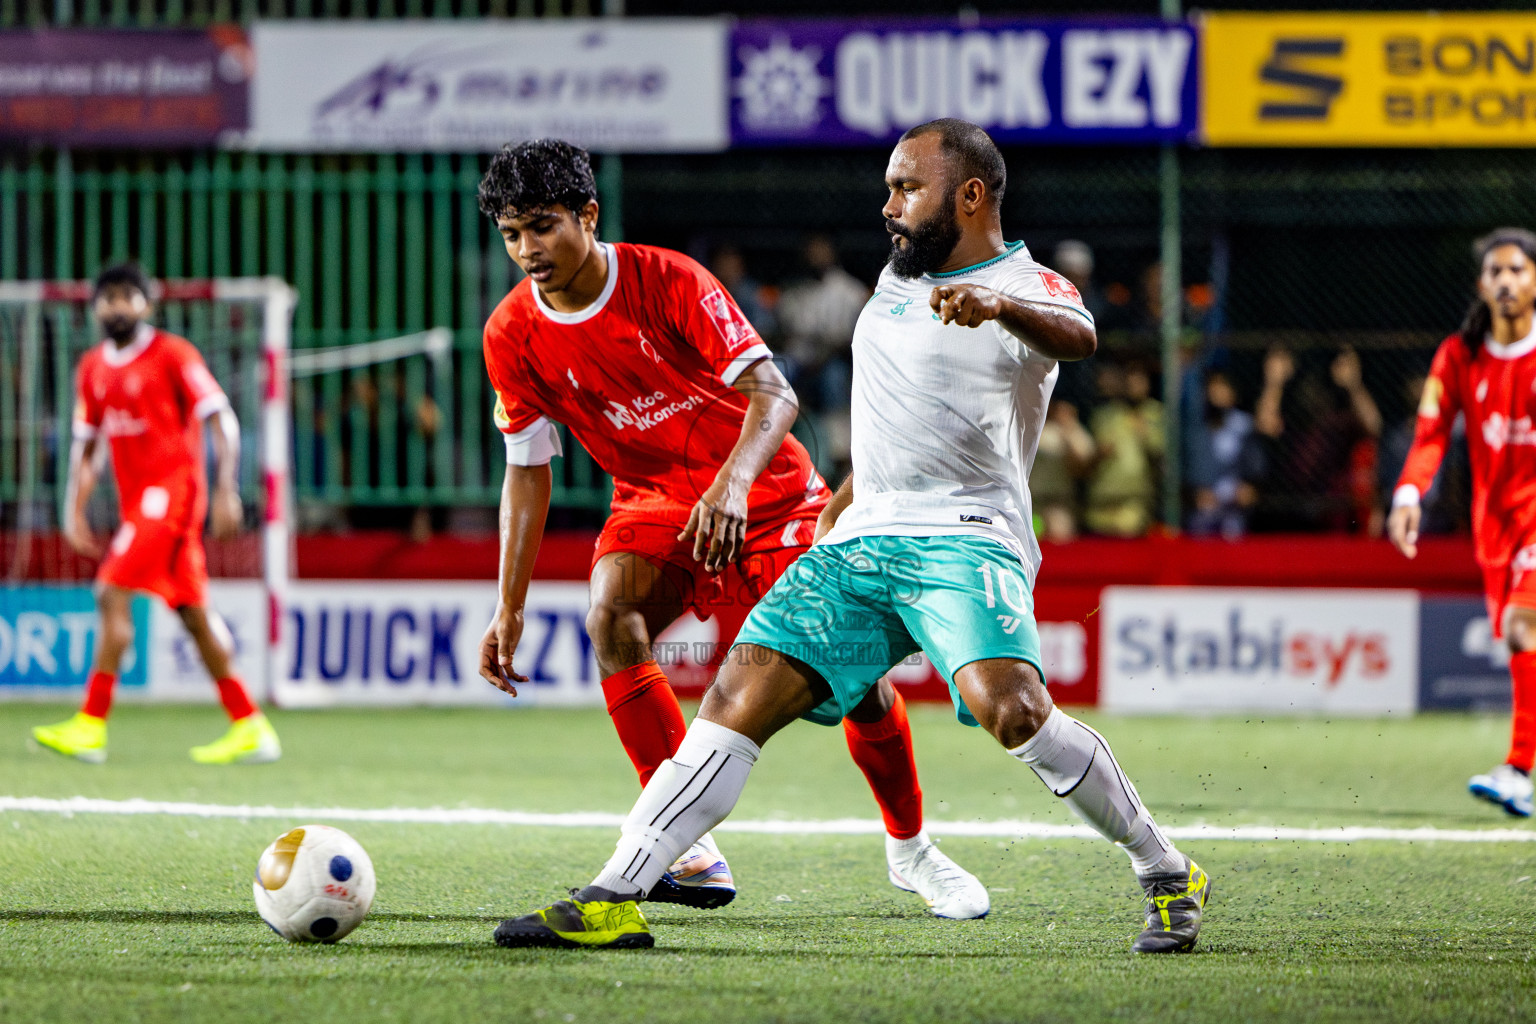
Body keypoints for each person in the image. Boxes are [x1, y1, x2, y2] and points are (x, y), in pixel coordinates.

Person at [493, 119, 1209, 954]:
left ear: (970, 195)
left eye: (907, 187)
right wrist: (838, 511)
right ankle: (616, 893)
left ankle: (1164, 870)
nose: (889, 204)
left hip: (965, 540)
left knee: (1012, 713)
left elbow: (1079, 338)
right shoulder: (894, 284)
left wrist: (1000, 303)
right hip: (858, 543)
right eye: (890, 186)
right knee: (734, 700)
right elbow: (897, 423)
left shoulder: (1030, 282)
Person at [475, 139, 986, 918]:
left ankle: (911, 849)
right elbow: (526, 469)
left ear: (588, 213)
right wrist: (508, 605)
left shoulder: (666, 279)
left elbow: (775, 396)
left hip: (767, 494)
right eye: (512, 234)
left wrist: (732, 485)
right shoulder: (511, 334)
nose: (527, 250)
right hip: (653, 504)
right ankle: (687, 849)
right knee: (611, 615)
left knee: (861, 683)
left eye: (542, 227)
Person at [30, 264, 280, 765]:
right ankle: (250, 725)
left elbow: (221, 418)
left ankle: (91, 724)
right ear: (95, 306)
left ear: (148, 304)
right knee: (193, 616)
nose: (118, 306)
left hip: (173, 496)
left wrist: (227, 488)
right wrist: (72, 508)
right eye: (109, 298)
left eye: (129, 297)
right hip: (138, 505)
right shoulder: (92, 368)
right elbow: (89, 448)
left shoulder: (172, 354)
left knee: (109, 592)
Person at [1390, 227, 1536, 818]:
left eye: (1518, 270)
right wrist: (1408, 493)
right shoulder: (1458, 355)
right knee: (1518, 637)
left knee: (1524, 627)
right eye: (1496, 272)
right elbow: (1430, 436)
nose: (1506, 280)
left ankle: (1520, 767)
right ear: (1482, 284)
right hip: (1495, 524)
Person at [1084, 361, 1164, 538]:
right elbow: (1092, 455)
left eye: (1139, 381)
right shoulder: (1106, 414)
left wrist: (1146, 434)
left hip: (1136, 501)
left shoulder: (1155, 413)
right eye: (1129, 381)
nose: (1134, 386)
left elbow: (1161, 453)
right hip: (1103, 499)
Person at [1184, 368, 1263, 539]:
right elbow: (1191, 468)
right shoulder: (1198, 428)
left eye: (1223, 386)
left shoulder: (1245, 426)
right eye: (1213, 387)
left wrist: (1249, 487)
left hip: (1236, 509)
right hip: (1205, 510)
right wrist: (1197, 493)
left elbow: (1255, 466)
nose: (1218, 392)